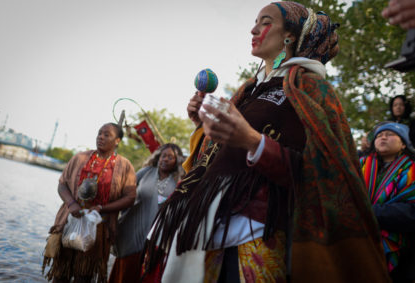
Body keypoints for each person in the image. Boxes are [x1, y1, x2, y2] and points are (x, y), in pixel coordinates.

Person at [142, 2, 390, 282]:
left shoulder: (312, 88)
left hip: (259, 230)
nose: (254, 28)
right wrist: (203, 125)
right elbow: (215, 157)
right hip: (208, 225)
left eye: (265, 22)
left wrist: (253, 142)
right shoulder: (247, 90)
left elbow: (321, 173)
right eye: (255, 21)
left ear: (291, 36)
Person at [42, 123, 136, 283]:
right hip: (70, 220)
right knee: (60, 273)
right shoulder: (80, 158)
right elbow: (62, 184)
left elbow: (130, 198)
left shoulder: (125, 166)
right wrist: (71, 203)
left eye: (107, 135)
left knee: (83, 275)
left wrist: (102, 208)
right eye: (99, 133)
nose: (101, 137)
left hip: (98, 226)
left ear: (117, 140)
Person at [108, 143, 184, 283]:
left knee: (146, 275)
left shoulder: (178, 182)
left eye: (170, 157)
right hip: (132, 232)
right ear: (158, 157)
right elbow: (124, 192)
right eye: (163, 156)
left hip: (157, 239)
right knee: (124, 273)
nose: (165, 159)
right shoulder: (146, 172)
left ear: (177, 161)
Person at [360, 122, 415, 282]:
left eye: (390, 134)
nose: (383, 137)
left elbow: (411, 212)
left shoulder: (412, 171)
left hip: (399, 251)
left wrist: (370, 212)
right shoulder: (358, 166)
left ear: (403, 144)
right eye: (379, 135)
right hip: (355, 244)